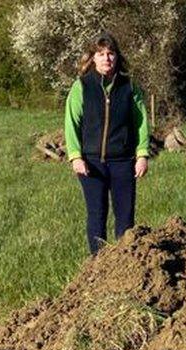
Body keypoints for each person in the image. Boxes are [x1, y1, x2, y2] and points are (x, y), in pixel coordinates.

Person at [64, 32, 150, 255]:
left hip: (123, 162)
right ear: (93, 58)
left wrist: (142, 155)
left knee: (125, 217)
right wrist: (75, 156)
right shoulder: (81, 86)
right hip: (91, 163)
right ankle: (98, 267)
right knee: (97, 214)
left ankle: (125, 264)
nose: (106, 59)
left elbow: (141, 122)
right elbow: (71, 123)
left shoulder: (129, 87)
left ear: (117, 57)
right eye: (100, 54)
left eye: (110, 53)